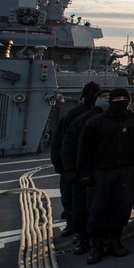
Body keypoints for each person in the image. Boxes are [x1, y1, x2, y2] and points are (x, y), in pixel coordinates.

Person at [76, 89, 134, 264]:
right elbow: (84, 149)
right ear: (110, 101)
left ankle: (115, 240)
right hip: (101, 170)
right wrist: (84, 172)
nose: (121, 101)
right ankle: (96, 244)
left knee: (121, 207)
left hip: (127, 170)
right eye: (117, 98)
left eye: (124, 98)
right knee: (97, 207)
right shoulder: (96, 123)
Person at [60, 88, 110, 258]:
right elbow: (68, 145)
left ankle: (105, 237)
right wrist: (69, 168)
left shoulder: (121, 119)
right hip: (85, 171)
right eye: (104, 97)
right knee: (81, 206)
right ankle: (82, 237)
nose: (108, 100)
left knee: (107, 206)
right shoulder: (81, 120)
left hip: (109, 170)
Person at [50, 81, 102, 238]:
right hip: (75, 164)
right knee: (73, 198)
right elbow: (63, 142)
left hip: (95, 165)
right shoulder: (73, 116)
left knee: (89, 199)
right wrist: (62, 164)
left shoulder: (102, 116)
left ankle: (86, 229)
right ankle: (74, 226)